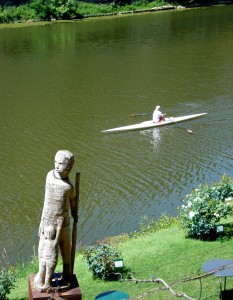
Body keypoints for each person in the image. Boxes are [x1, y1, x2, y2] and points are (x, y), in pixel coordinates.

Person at [35, 150, 78, 291]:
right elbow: (46, 201)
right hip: (47, 222)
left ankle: (67, 275)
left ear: (69, 167)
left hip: (63, 224)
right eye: (55, 162)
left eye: (61, 164)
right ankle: (42, 278)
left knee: (65, 250)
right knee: (43, 252)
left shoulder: (69, 187)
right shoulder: (49, 176)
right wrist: (41, 221)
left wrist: (74, 212)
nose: (57, 166)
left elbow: (72, 201)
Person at [34, 217, 64, 292]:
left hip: (44, 259)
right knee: (48, 275)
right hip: (51, 261)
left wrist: (43, 223)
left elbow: (42, 234)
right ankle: (47, 286)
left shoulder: (44, 241)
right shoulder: (54, 242)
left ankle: (40, 284)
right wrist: (60, 225)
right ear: (53, 233)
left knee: (42, 272)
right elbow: (58, 234)